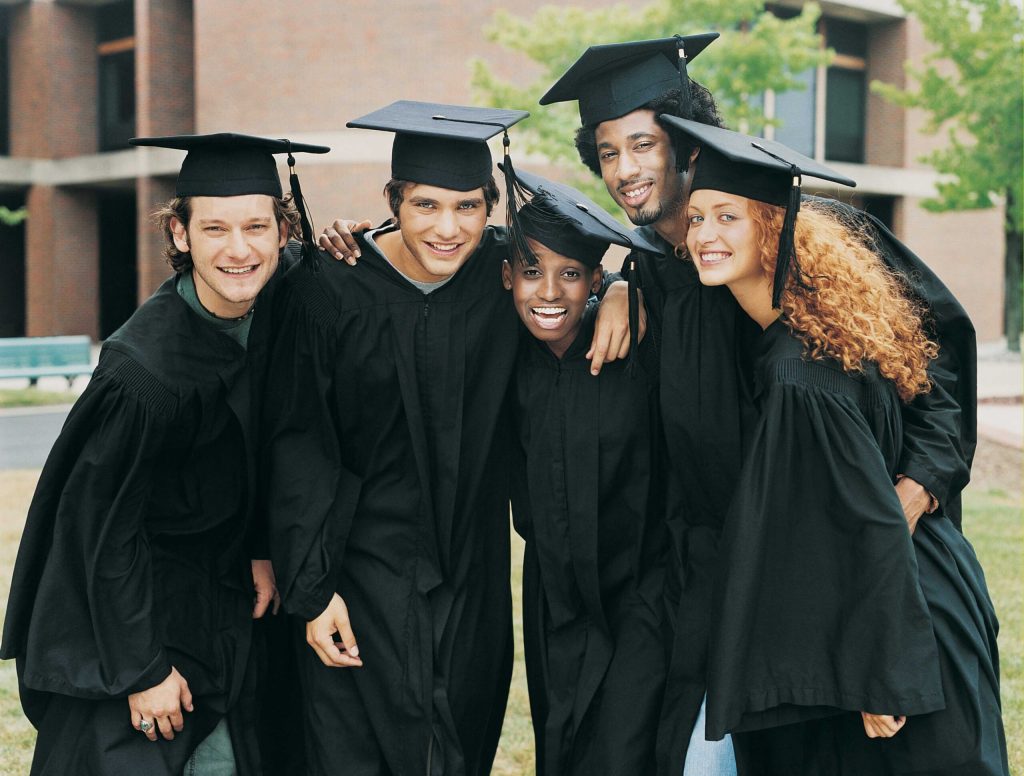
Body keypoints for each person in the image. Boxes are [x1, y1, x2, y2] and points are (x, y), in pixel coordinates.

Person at [539, 34, 977, 774]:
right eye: (608, 153)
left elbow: (931, 367)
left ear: (685, 144)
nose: (627, 170)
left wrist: (917, 485)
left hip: (843, 564)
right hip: (725, 576)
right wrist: (618, 286)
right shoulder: (655, 275)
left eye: (643, 144)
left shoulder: (821, 246)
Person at [261, 100, 633, 776]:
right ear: (393, 201)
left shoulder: (502, 275)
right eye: (426, 205)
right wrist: (313, 591)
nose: (447, 227)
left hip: (472, 577)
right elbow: (297, 445)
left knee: (458, 746)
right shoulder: (331, 290)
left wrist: (620, 290)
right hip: (361, 575)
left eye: (467, 207)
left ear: (491, 209)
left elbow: (571, 281)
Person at [673, 117, 1008, 775]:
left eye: (727, 218)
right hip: (921, 598)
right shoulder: (817, 332)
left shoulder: (799, 374)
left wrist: (880, 673)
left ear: (773, 228)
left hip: (898, 626)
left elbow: (869, 521)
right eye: (695, 218)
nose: (704, 236)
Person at [0, 133, 327, 775]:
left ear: (283, 231)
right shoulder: (143, 375)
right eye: (215, 229)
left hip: (231, 602)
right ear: (180, 235)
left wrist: (263, 542)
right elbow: (100, 533)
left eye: (258, 227)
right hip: (147, 611)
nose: (240, 249)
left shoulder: (279, 303)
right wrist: (140, 667)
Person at [501, 167, 665, 775]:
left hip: (638, 593)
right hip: (553, 595)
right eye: (532, 271)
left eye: (571, 273)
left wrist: (629, 284)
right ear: (507, 275)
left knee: (621, 752)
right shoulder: (501, 350)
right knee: (559, 745)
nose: (550, 292)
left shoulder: (636, 344)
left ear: (594, 278)